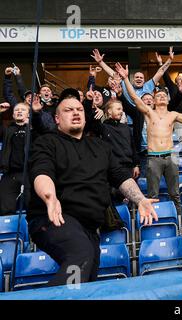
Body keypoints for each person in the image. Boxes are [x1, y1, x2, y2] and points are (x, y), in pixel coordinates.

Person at [27, 89, 159, 287]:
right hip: (55, 217)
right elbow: (41, 172)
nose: (76, 112)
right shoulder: (47, 142)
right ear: (56, 118)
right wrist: (49, 197)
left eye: (79, 109)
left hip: (89, 227)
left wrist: (140, 199)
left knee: (87, 276)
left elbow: (120, 176)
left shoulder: (100, 146)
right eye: (68, 110)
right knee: (80, 255)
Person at [115, 62, 182, 217]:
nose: (161, 96)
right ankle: (155, 222)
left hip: (170, 157)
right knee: (153, 195)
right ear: (153, 101)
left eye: (163, 95)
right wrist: (126, 79)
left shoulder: (173, 115)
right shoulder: (148, 113)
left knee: (175, 194)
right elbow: (134, 96)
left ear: (167, 100)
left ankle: (179, 223)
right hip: (153, 158)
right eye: (158, 95)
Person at [0, 101, 33, 214]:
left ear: (28, 114)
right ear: (13, 115)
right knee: (4, 209)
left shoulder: (34, 130)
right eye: (16, 110)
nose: (19, 111)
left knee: (33, 208)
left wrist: (30, 126)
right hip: (10, 174)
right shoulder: (7, 130)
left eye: (23, 110)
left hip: (29, 174)